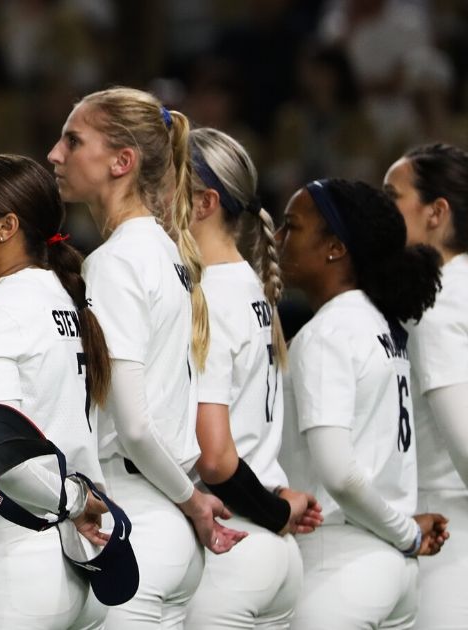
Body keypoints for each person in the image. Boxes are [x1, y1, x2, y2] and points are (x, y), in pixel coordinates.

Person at [47, 87, 247, 629]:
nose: (55, 155)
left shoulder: (119, 260)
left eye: (73, 140)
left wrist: (192, 502)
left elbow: (134, 424)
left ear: (122, 161)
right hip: (171, 521)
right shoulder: (166, 250)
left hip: (142, 510)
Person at [0, 154, 111, 629]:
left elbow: (4, 451)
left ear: (6, 226)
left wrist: (72, 501)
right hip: (80, 555)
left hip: (12, 557)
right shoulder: (70, 302)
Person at [276, 177, 448, 628]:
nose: (278, 238)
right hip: (391, 567)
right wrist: (403, 530)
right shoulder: (378, 323)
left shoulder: (329, 333)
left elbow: (341, 473)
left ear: (334, 247)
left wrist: (408, 533)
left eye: (291, 227)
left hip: (339, 563)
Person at [182, 127, 323, 629]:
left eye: (163, 185)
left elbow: (216, 457)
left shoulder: (211, 296)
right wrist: (277, 508)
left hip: (232, 542)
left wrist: (274, 511)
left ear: (203, 202)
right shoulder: (247, 283)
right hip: (273, 552)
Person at [383, 143, 468, 629]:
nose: (382, 211)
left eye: (392, 196)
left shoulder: (440, 307)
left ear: (436, 212)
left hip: (448, 537)